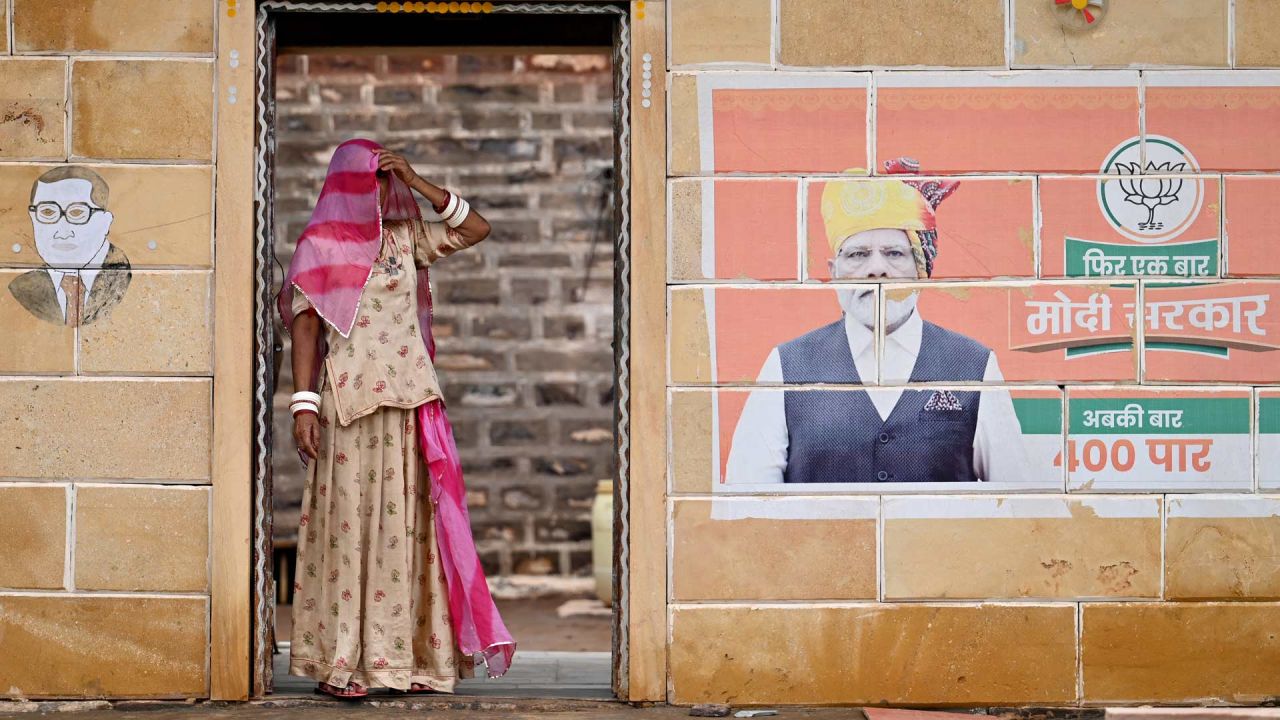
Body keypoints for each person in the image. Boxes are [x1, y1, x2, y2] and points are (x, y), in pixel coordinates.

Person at [280, 139, 514, 699]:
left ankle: (403, 661)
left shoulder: (406, 240)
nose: (380, 191)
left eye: (385, 181)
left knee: (407, 532)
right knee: (350, 530)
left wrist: (418, 180)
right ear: (343, 185)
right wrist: (303, 406)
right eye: (372, 180)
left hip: (410, 406)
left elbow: (476, 229)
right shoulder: (319, 246)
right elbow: (306, 330)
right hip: (349, 406)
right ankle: (344, 664)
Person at [725, 158, 1032, 485]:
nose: (877, 269)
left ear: (922, 271)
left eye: (895, 254)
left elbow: (1018, 511)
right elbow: (747, 514)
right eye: (857, 255)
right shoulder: (786, 368)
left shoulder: (974, 367)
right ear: (834, 274)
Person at [9, 166, 131, 326]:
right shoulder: (22, 289)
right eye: (47, 212)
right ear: (33, 218)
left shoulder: (129, 282)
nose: (62, 232)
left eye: (77, 213)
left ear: (105, 222)